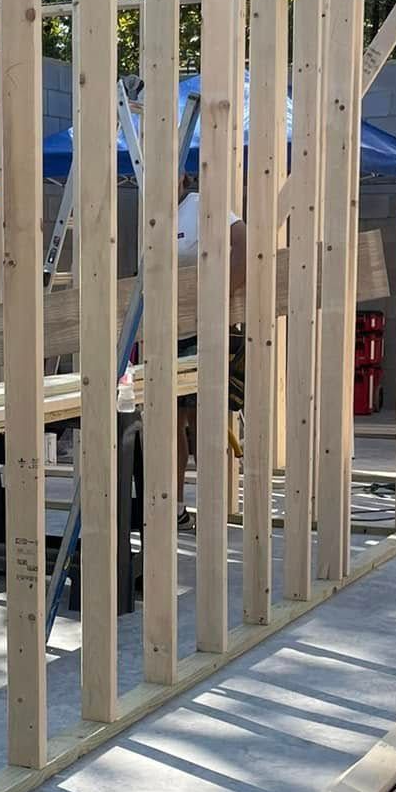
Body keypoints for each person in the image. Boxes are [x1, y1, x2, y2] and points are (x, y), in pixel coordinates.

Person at [174, 171, 248, 530]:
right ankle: (174, 509)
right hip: (167, 333)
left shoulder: (199, 207)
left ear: (184, 178)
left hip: (204, 332)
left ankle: (213, 509)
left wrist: (219, 300)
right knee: (170, 424)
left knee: (205, 422)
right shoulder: (151, 215)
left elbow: (244, 244)